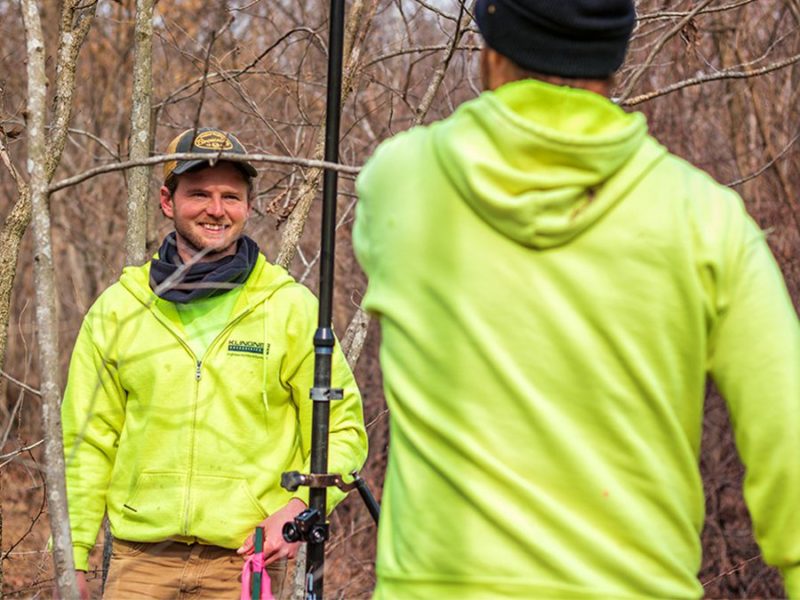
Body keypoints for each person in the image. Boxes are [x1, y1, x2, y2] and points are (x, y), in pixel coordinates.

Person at [353, 1, 800, 598]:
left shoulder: (399, 182)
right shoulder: (705, 219)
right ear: (616, 57)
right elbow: (788, 442)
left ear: (490, 54)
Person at [62, 127, 368, 599]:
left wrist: (300, 506)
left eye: (231, 196)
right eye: (199, 193)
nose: (216, 209)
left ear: (248, 205)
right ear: (168, 200)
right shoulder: (120, 308)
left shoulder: (288, 307)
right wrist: (73, 553)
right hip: (139, 563)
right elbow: (85, 443)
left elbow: (343, 430)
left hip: (245, 562)